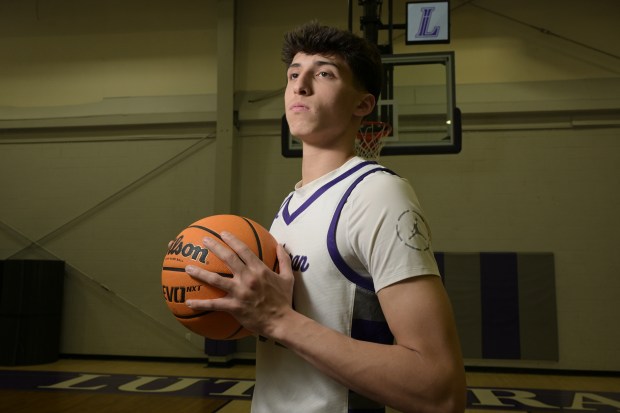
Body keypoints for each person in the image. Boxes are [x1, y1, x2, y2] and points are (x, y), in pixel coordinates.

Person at [185, 21, 466, 413]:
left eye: (324, 73)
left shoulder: (376, 193)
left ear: (363, 105)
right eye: (293, 74)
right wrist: (218, 292)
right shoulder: (289, 207)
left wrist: (279, 320)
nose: (300, 85)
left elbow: (440, 390)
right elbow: (285, 330)